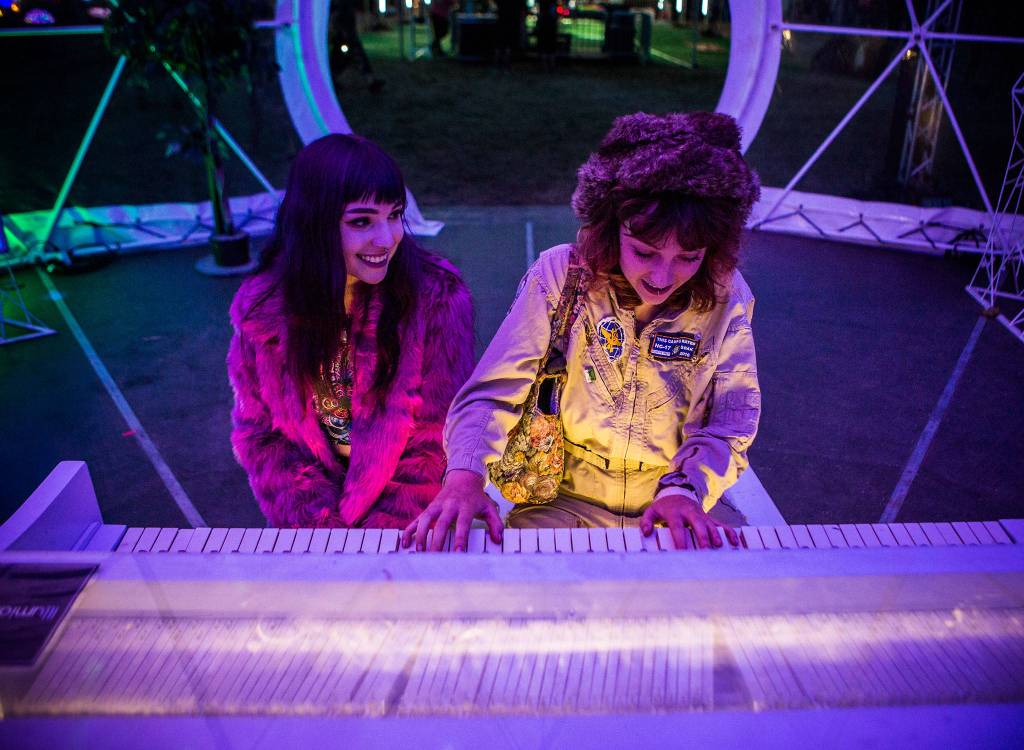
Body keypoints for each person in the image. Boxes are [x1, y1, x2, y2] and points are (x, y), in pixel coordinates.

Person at [404, 111, 761, 551]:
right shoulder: (562, 274)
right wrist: (463, 476)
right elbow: (494, 391)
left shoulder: (727, 293)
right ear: (611, 228)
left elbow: (731, 418)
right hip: (561, 501)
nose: (663, 276)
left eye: (689, 257)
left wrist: (685, 489)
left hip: (674, 500)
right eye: (644, 252)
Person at [228, 134, 474, 529]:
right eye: (362, 221)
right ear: (314, 224)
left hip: (406, 524)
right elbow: (261, 436)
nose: (387, 238)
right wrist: (319, 528)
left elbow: (437, 439)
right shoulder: (261, 308)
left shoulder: (436, 297)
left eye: (394, 215)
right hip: (313, 526)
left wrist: (376, 542)